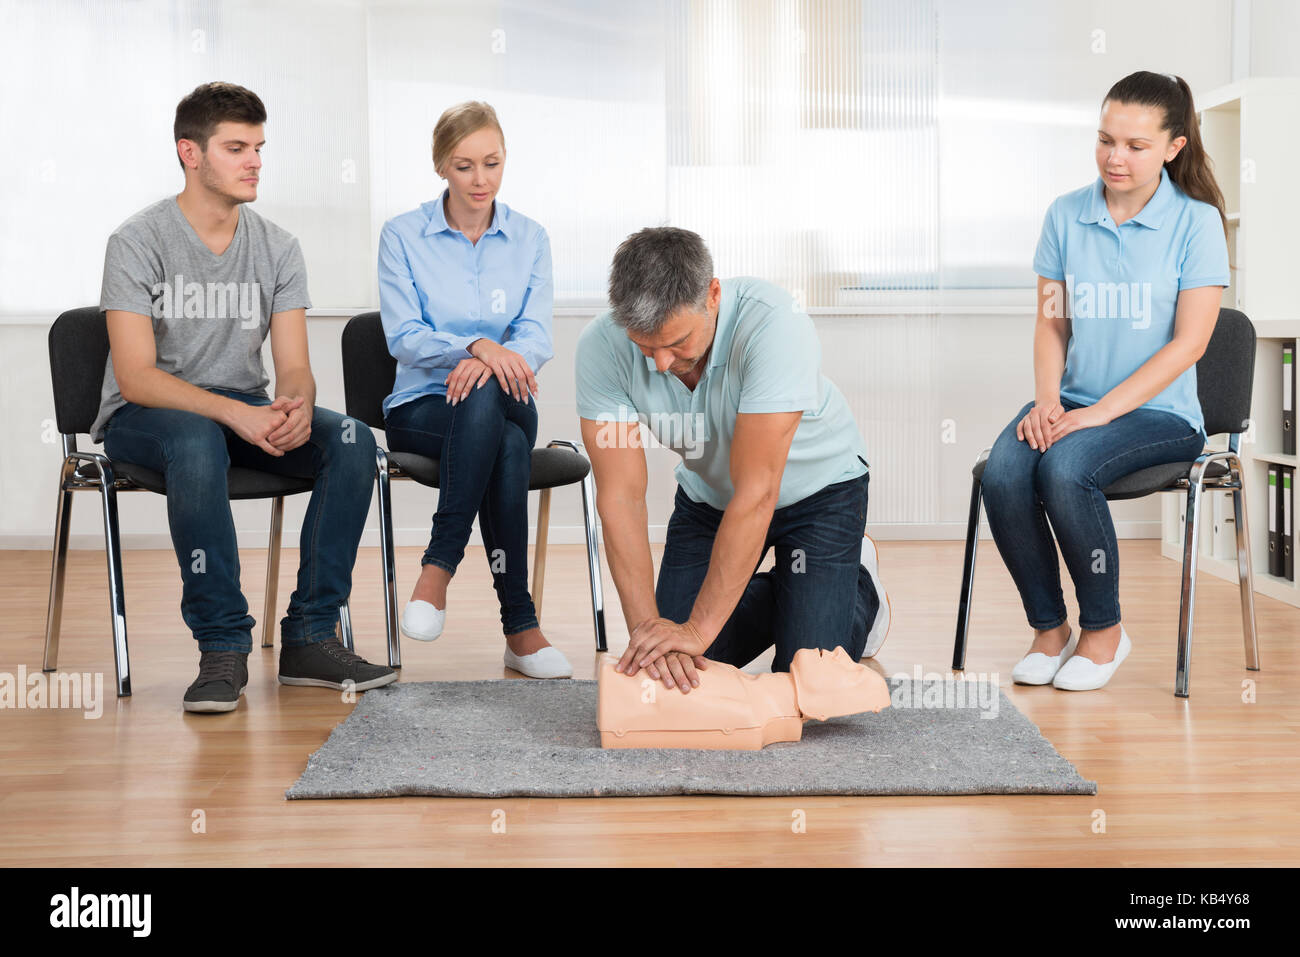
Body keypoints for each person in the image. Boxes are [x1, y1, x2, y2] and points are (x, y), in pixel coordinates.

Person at [95, 81, 397, 713]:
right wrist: (235, 413)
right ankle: (223, 646)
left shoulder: (278, 247)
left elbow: (292, 366)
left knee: (351, 440)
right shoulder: (137, 242)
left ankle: (312, 634)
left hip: (244, 413)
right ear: (190, 153)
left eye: (259, 147)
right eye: (236, 147)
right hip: (148, 418)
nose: (255, 161)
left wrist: (289, 408)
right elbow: (135, 377)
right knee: (199, 435)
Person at [981, 71, 1230, 691]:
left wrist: (1097, 415)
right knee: (1004, 470)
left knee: (1065, 468)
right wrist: (1047, 401)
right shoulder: (1066, 215)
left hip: (1162, 416)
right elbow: (1051, 325)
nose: (1115, 158)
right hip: (1073, 401)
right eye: (1105, 140)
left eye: (1136, 146)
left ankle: (1104, 632)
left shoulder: (1196, 223)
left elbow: (1190, 342)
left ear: (1173, 147)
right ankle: (1049, 629)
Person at [576, 226, 891, 694]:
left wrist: (697, 630)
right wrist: (650, 637)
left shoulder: (774, 323)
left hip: (818, 494)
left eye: (677, 341)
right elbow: (621, 498)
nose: (661, 363)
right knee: (681, 671)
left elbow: (758, 491)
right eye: (646, 347)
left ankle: (858, 586)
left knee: (806, 680)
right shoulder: (601, 348)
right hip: (711, 501)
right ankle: (798, 587)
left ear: (713, 295)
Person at [378, 102, 568, 678]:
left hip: (511, 394)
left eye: (492, 163)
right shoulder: (402, 236)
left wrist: (489, 359)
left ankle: (437, 568)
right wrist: (476, 348)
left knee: (487, 397)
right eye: (464, 166)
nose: (480, 179)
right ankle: (521, 627)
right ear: (441, 166)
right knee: (506, 444)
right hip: (421, 407)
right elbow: (404, 337)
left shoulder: (530, 237)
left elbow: (535, 335)